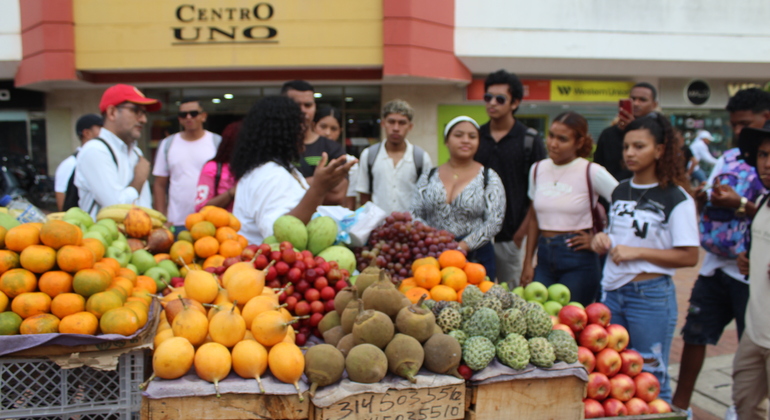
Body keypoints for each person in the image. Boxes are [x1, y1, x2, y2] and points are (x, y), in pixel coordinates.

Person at [672, 88, 770, 413]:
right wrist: (703, 197)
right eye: (734, 125)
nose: (738, 131)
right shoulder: (728, 157)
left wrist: (740, 204)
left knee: (750, 345)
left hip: (749, 274)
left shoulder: (763, 161)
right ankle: (681, 407)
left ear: (765, 118)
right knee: (696, 334)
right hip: (715, 265)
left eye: (745, 124)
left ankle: (739, 407)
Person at [591, 113, 699, 403]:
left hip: (649, 297)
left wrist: (637, 253)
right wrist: (602, 240)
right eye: (627, 146)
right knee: (614, 378)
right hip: (611, 293)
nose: (630, 153)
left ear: (660, 150)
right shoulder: (621, 190)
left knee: (652, 379)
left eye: (639, 146)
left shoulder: (676, 198)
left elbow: (689, 255)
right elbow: (622, 237)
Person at [520, 112, 618, 306]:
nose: (553, 143)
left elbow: (627, 205)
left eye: (562, 139)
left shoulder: (591, 171)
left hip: (578, 260)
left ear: (579, 142)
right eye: (551, 135)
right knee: (540, 320)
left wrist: (602, 238)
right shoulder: (537, 169)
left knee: (573, 323)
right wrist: (527, 263)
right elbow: (533, 218)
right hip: (544, 257)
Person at [231, 96, 355, 244]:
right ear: (285, 133)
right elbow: (281, 236)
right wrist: (318, 189)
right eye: (301, 127)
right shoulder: (270, 174)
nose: (306, 134)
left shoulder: (278, 169)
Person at [474, 69, 547, 286]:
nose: (492, 103)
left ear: (514, 103)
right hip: (477, 235)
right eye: (488, 97)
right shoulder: (476, 136)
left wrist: (521, 234)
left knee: (512, 297)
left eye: (500, 98)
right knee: (475, 294)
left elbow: (538, 193)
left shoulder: (529, 140)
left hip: (512, 236)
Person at [411, 116, 505, 280]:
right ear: (446, 141)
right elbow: (414, 212)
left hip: (476, 258)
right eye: (458, 135)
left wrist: (462, 247)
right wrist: (433, 239)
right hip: (434, 255)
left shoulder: (489, 177)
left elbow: (494, 221)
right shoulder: (429, 176)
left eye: (472, 136)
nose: (465, 140)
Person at [731, 125, 770, 420]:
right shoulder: (764, 203)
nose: (767, 163)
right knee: (746, 405)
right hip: (755, 332)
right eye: (762, 154)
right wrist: (749, 259)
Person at [75, 84, 158, 218]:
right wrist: (139, 179)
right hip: (106, 237)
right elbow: (115, 208)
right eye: (136, 111)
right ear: (112, 112)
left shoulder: (135, 152)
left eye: (144, 113)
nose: (143, 119)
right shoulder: (95, 150)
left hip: (137, 235)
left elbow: (144, 204)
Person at [152, 98, 220, 231]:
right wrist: (162, 219)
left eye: (193, 113)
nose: (188, 117)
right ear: (179, 119)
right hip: (176, 221)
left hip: (211, 220)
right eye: (183, 115)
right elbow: (159, 184)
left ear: (203, 116)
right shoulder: (168, 144)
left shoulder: (216, 142)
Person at [356, 99, 433, 215]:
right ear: (383, 124)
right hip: (378, 228)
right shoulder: (369, 155)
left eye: (402, 123)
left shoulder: (421, 157)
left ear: (410, 126)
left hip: (410, 227)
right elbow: (364, 196)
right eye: (391, 122)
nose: (396, 128)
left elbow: (427, 197)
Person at [282, 80, 347, 205]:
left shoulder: (333, 148)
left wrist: (287, 186)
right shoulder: (272, 145)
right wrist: (321, 182)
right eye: (296, 105)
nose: (303, 111)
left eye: (308, 105)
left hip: (322, 221)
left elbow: (337, 194)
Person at [594, 82, 659, 181]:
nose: (636, 103)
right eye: (633, 99)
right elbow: (598, 168)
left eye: (643, 100)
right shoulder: (608, 134)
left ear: (654, 105)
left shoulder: (661, 132)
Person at [314, 106, 359, 210]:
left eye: (333, 129)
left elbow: (347, 203)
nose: (328, 133)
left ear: (340, 131)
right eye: (323, 127)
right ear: (313, 126)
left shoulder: (349, 163)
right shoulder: (301, 156)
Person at [54, 114, 102, 211]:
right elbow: (63, 205)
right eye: (101, 129)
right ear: (87, 133)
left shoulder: (102, 161)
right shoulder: (70, 164)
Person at [194, 121, 240, 213]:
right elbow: (201, 208)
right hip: (221, 225)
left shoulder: (256, 168)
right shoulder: (212, 168)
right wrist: (231, 193)